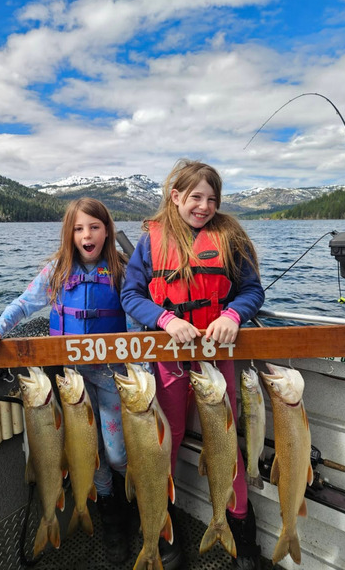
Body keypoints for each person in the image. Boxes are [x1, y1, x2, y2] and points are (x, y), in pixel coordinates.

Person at [121, 160, 265, 570]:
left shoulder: (230, 237)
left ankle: (240, 533)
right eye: (195, 197)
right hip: (170, 361)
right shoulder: (149, 242)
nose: (204, 206)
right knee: (163, 443)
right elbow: (131, 296)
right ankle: (159, 529)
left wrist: (233, 314)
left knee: (226, 442)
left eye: (212, 199)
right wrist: (165, 319)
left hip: (217, 360)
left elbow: (252, 291)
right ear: (176, 196)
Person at [0, 197, 131, 564]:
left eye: (94, 227)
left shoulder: (122, 270)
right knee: (89, 453)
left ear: (107, 230)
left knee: (117, 452)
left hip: (113, 377)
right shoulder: (57, 271)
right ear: (69, 234)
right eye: (78, 229)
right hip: (73, 380)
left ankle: (133, 502)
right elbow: (23, 304)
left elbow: (139, 316)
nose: (86, 235)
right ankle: (110, 517)